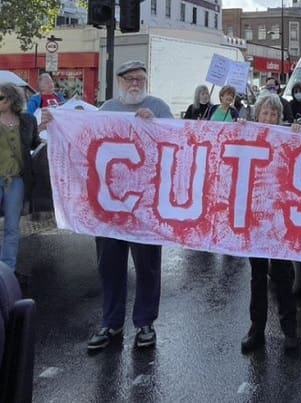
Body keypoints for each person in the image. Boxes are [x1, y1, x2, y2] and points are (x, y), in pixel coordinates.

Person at [42, 60, 174, 350]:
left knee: (148, 268)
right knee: (110, 266)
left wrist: (157, 125)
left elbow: (176, 144)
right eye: (129, 79)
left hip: (145, 207)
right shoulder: (105, 110)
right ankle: (111, 323)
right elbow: (82, 143)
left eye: (140, 78)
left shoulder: (159, 107)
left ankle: (145, 324)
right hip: (110, 207)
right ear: (119, 81)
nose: (135, 83)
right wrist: (56, 124)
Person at [240, 93, 299, 353]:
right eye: (264, 113)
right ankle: (256, 329)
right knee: (257, 276)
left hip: (280, 220)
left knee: (283, 276)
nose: (268, 117)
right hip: (254, 218)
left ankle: (290, 330)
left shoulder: (286, 137)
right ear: (257, 114)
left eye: (273, 114)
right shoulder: (247, 136)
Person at [0, 83, 42, 288]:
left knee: (11, 228)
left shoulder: (27, 120)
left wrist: (44, 128)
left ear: (11, 100)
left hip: (16, 180)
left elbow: (34, 144)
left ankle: (7, 270)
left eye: (1, 98)